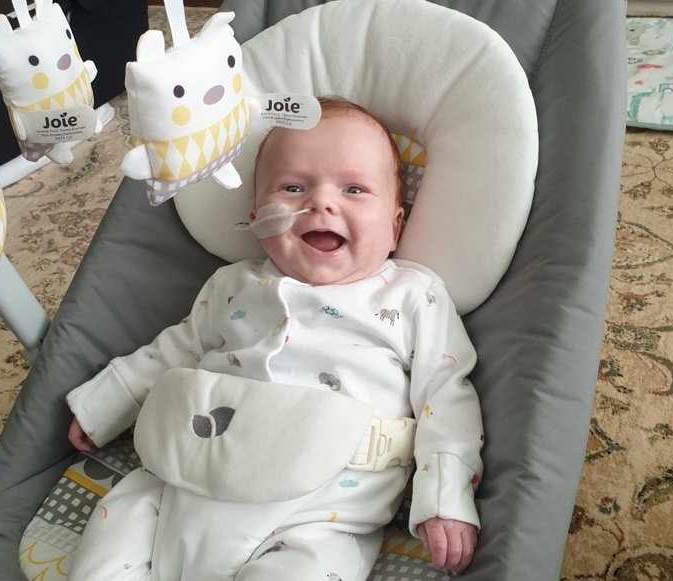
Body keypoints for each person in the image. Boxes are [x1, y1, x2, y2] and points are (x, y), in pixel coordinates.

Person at [66, 97, 484, 580]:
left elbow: (446, 395)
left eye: (354, 189)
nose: (321, 203)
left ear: (395, 226)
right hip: (181, 481)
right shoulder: (232, 284)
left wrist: (446, 494)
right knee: (119, 523)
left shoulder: (414, 296)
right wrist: (106, 401)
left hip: (316, 518)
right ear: (256, 218)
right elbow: (177, 349)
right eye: (292, 187)